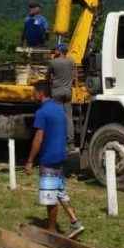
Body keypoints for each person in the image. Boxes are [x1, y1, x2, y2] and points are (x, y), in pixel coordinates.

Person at [25, 80, 84, 238]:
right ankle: (74, 222)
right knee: (59, 191)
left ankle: (52, 230)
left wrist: (30, 160)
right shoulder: (59, 110)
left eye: (34, 92)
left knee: (50, 196)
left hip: (49, 158)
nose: (32, 95)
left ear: (41, 93)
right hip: (60, 156)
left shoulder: (42, 113)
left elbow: (38, 138)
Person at [48, 43, 75, 150]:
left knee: (57, 117)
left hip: (56, 93)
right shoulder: (71, 61)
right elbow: (74, 76)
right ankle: (71, 144)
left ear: (59, 51)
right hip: (68, 93)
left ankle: (59, 142)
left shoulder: (53, 62)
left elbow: (48, 76)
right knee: (69, 118)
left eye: (56, 50)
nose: (54, 51)